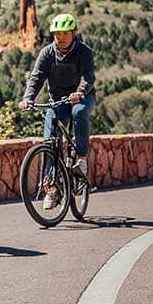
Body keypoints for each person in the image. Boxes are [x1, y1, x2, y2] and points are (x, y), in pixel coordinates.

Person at [19, 12, 96, 208]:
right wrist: (28, 99)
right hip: (58, 101)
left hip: (82, 98)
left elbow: (88, 77)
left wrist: (80, 92)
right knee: (49, 141)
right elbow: (36, 78)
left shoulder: (84, 52)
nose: (60, 37)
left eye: (64, 33)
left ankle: (81, 159)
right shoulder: (47, 53)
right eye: (56, 34)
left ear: (73, 32)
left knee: (79, 112)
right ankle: (50, 188)